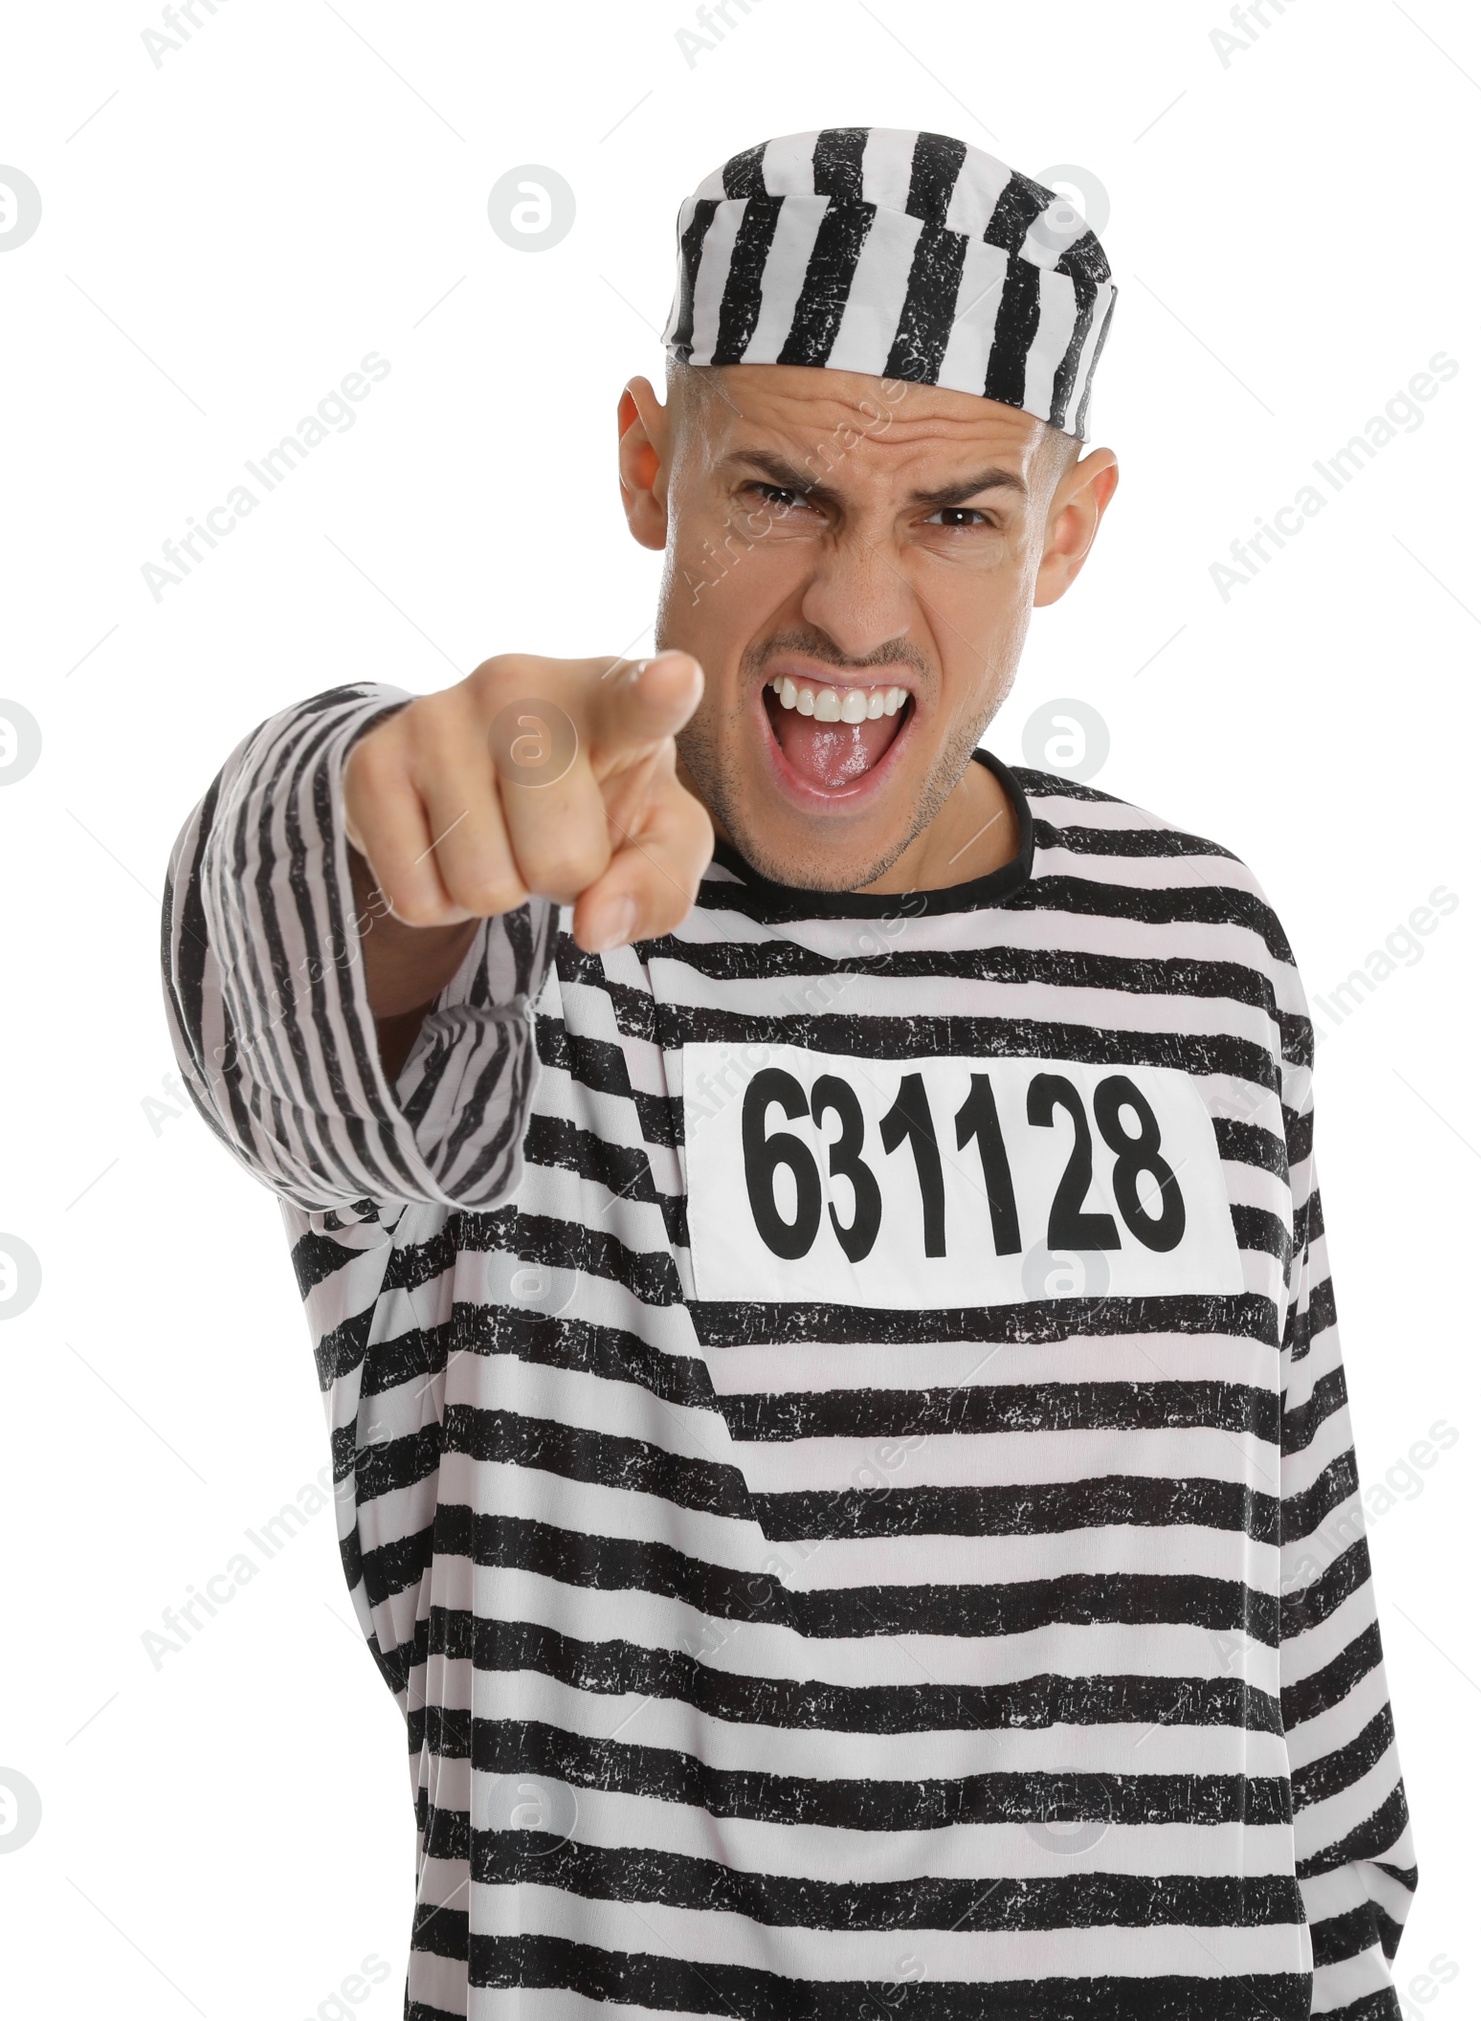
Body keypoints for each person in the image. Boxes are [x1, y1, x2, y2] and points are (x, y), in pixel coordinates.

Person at [163, 128, 1415, 2021]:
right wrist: (378, 801)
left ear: (1066, 527)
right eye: (780, 492)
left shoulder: (1203, 944)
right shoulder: (534, 932)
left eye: (956, 517)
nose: (853, 608)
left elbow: (1294, 1614)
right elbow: (285, 985)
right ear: (650, 462)